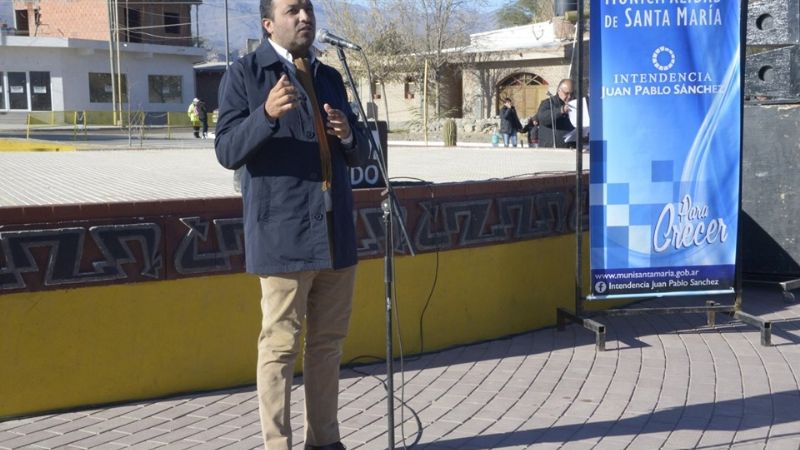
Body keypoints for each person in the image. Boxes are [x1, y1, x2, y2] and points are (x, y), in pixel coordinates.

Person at [213, 0, 370, 448]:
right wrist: (265, 115)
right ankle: (277, 444)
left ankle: (325, 440)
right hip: (283, 235)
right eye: (292, 10)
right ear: (268, 24)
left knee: (327, 346)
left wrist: (348, 134)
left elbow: (359, 156)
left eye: (308, 9)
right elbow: (226, 151)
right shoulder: (246, 74)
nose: (305, 17)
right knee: (279, 348)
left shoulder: (330, 77)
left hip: (336, 233)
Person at [537, 79, 576, 148]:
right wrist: (561, 110)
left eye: (572, 94)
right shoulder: (548, 103)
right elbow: (542, 118)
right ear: (559, 91)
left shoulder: (574, 104)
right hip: (550, 149)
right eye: (566, 93)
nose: (569, 97)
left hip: (570, 148)